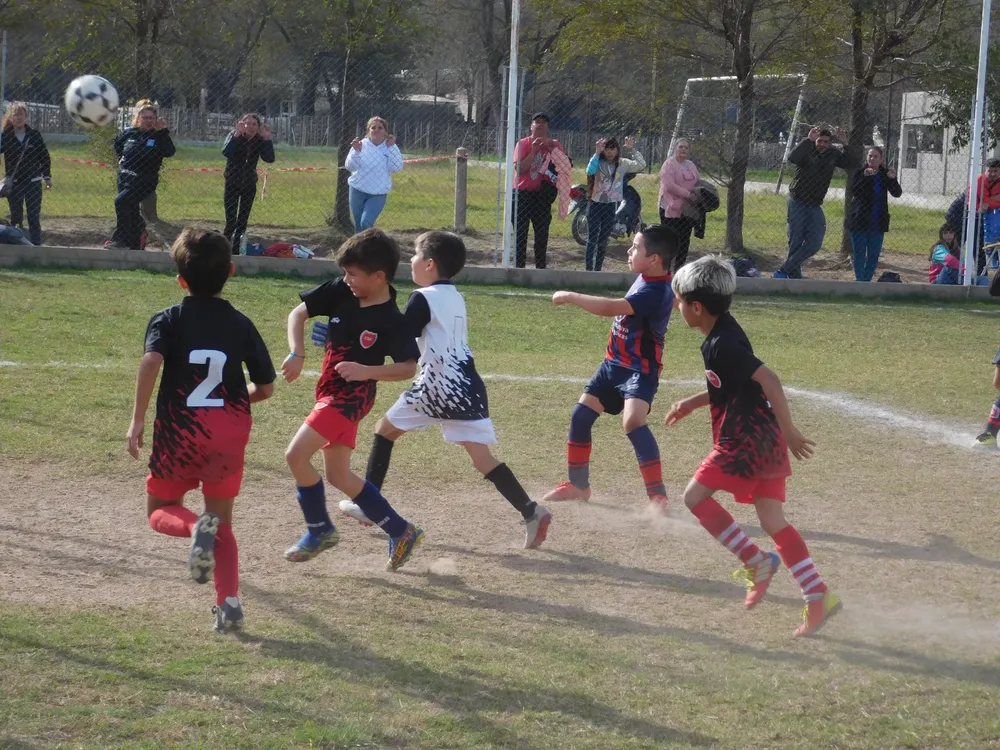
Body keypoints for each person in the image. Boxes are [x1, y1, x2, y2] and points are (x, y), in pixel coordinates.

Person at [338, 231, 553, 549]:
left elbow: (401, 336)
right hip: (467, 385)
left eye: (414, 254)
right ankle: (531, 511)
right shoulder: (454, 296)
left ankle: (370, 506)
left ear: (429, 264)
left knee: (384, 430)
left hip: (438, 385)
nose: (410, 260)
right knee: (481, 457)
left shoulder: (423, 298)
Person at [665, 255, 840, 637]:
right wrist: (691, 404)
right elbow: (731, 386)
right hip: (762, 439)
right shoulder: (722, 332)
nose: (676, 306)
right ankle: (817, 595)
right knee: (772, 520)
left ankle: (756, 560)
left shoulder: (721, 344)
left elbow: (769, 380)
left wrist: (790, 430)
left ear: (696, 307)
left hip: (745, 439)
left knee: (694, 497)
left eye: (678, 301)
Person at [125, 228, 276, 633]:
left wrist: (137, 419)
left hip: (181, 430)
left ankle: (194, 529)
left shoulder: (168, 319)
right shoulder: (241, 324)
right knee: (222, 522)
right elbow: (265, 388)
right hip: (228, 431)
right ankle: (228, 604)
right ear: (230, 271)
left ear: (180, 280)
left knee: (159, 509)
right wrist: (238, 401)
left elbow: (151, 362)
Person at [281, 228, 424, 571]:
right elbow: (297, 314)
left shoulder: (392, 319)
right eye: (345, 273)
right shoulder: (340, 291)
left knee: (296, 455)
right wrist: (296, 353)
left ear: (379, 277)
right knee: (339, 476)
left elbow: (408, 367)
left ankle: (319, 530)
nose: (347, 280)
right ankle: (401, 530)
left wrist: (365, 370)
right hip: (329, 392)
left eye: (353, 275)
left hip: (350, 399)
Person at [542, 225, 679, 512]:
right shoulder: (648, 278)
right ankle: (578, 486)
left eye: (635, 248)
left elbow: (611, 307)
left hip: (639, 370)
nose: (629, 251)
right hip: (613, 364)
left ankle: (658, 497)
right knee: (581, 415)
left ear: (654, 258)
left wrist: (570, 296)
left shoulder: (655, 290)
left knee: (633, 422)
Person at [774, 126, 856, 279]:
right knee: (796, 240)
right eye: (819, 141)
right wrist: (808, 140)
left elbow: (851, 163)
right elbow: (792, 157)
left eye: (826, 142)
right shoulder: (807, 150)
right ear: (815, 140)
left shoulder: (833, 154)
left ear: (830, 143)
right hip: (797, 201)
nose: (822, 144)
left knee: (815, 242)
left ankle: (784, 270)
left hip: (815, 205)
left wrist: (845, 143)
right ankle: (793, 274)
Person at [109, 100, 176, 250]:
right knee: (131, 209)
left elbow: (170, 152)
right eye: (144, 117)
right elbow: (117, 144)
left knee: (121, 201)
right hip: (125, 178)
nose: (148, 121)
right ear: (138, 118)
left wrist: (164, 132)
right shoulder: (130, 133)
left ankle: (120, 240)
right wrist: (123, 161)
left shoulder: (158, 136)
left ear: (155, 119)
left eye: (151, 118)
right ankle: (136, 242)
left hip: (144, 180)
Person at [512, 113, 566, 269]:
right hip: (522, 193)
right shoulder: (523, 143)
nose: (540, 125)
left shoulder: (555, 144)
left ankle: (540, 269)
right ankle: (519, 268)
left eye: (544, 123)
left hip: (543, 195)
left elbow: (563, 167)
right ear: (531, 126)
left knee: (542, 233)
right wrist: (534, 150)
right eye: (537, 122)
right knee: (520, 233)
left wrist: (552, 150)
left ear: (548, 127)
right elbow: (520, 169)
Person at [585, 136, 646, 272]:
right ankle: (588, 271)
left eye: (613, 148)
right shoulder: (597, 161)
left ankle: (598, 270)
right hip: (595, 204)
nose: (610, 152)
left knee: (603, 240)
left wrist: (632, 149)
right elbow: (589, 170)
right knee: (592, 239)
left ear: (618, 150)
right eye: (607, 149)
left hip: (610, 206)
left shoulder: (622, 163)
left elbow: (641, 165)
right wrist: (596, 152)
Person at [846, 147, 902, 282]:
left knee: (873, 255)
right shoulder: (860, 173)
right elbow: (855, 191)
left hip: (877, 221)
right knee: (859, 254)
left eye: (875, 156)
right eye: (870, 156)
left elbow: (897, 193)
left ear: (881, 159)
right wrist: (866, 177)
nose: (872, 159)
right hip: (859, 220)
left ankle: (867, 281)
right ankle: (860, 282)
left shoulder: (885, 174)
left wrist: (893, 179)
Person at [222, 113, 275, 253]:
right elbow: (226, 151)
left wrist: (266, 139)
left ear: (258, 128)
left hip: (249, 184)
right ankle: (223, 249)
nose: (250, 127)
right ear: (241, 124)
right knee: (231, 220)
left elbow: (269, 158)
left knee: (242, 221)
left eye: (254, 124)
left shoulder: (259, 140)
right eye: (247, 123)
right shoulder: (234, 135)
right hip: (232, 183)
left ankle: (237, 250)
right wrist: (236, 135)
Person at [1, 102, 51, 246]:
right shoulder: (6, 136)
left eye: (21, 115)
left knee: (33, 216)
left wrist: (47, 177)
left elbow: (44, 156)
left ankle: (35, 244)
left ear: (26, 117)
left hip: (33, 181)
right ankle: (17, 243)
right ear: (10, 118)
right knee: (16, 216)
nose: (18, 118)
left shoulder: (34, 135)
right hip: (15, 183)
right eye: (15, 115)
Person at [344, 116, 403, 232]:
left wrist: (389, 149)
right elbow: (350, 166)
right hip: (358, 189)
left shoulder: (391, 146)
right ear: (368, 131)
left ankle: (377, 244)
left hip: (378, 192)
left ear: (385, 131)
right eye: (373, 127)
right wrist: (356, 151)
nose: (376, 130)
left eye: (380, 128)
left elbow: (397, 167)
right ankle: (361, 249)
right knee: (359, 227)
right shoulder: (360, 145)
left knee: (366, 223)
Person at [658, 138, 699, 270]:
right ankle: (665, 271)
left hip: (686, 209)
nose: (683, 150)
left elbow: (698, 181)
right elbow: (669, 185)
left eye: (686, 148)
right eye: (680, 147)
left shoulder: (691, 165)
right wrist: (688, 194)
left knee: (684, 241)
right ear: (675, 148)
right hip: (670, 208)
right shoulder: (668, 164)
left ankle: (679, 272)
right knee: (669, 242)